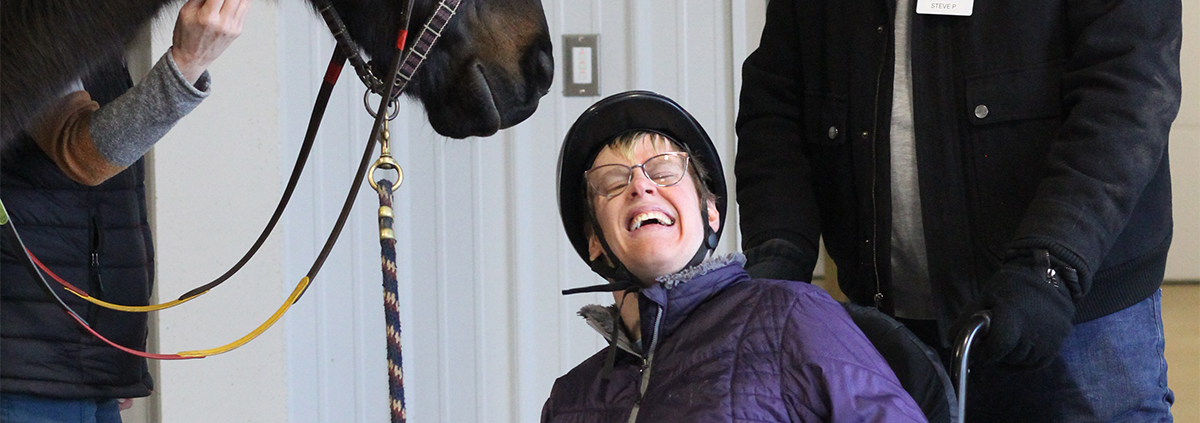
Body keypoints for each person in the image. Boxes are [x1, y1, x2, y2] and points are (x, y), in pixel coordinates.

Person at [734, 0, 1180, 421]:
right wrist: (779, 248)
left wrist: (1052, 263)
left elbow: (1128, 93)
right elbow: (775, 103)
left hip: (1074, 318)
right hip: (890, 331)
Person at [542, 90, 927, 423]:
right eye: (614, 181)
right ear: (594, 240)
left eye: (664, 173)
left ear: (710, 213)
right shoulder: (569, 400)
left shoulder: (792, 315)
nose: (641, 186)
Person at [0, 0, 248, 421]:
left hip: (77, 367)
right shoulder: (21, 24)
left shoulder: (84, 32)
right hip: (26, 372)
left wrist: (111, 357)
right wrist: (187, 64)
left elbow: (102, 208)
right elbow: (82, 153)